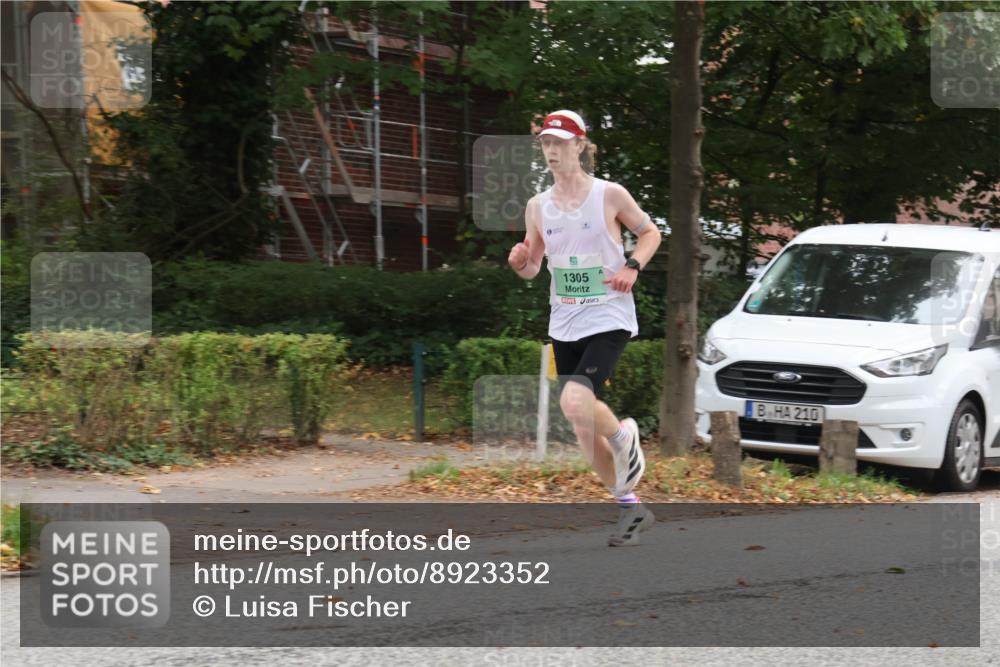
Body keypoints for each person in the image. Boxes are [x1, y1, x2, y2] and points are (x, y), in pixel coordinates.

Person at [508, 110, 662, 546]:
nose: (552, 151)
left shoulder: (609, 195)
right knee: (579, 421)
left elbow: (651, 234)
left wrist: (632, 265)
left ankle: (623, 435)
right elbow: (534, 265)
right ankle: (630, 507)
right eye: (546, 144)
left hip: (608, 313)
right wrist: (521, 262)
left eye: (560, 142)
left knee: (577, 398)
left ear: (580, 145)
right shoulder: (538, 206)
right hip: (565, 318)